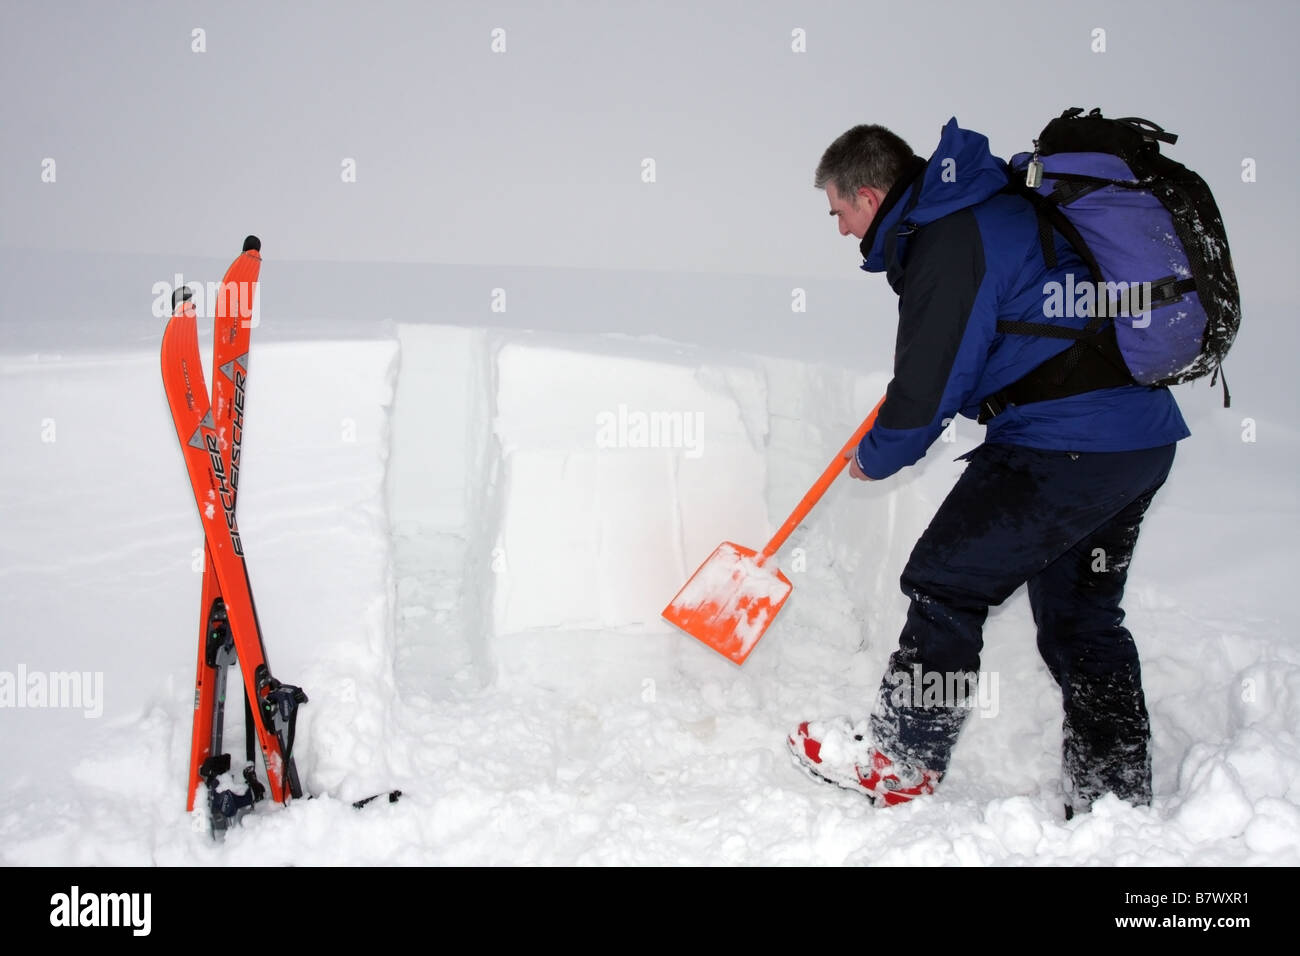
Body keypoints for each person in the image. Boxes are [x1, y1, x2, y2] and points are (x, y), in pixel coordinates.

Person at [787, 119, 1189, 818]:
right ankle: (1114, 797)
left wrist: (878, 455)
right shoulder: (984, 208)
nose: (842, 231)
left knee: (946, 583)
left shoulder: (950, 233)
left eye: (839, 211)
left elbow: (929, 388)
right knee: (1081, 624)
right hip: (1133, 442)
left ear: (871, 194)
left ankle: (902, 756)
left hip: (1064, 443)